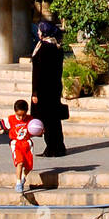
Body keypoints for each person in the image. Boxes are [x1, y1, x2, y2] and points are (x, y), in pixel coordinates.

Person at [30, 21, 68, 157]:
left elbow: (40, 72)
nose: (38, 32)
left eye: (40, 30)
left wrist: (35, 92)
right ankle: (58, 146)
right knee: (54, 119)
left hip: (44, 90)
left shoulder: (45, 48)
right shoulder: (56, 47)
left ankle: (52, 148)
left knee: (47, 120)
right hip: (53, 87)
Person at [0, 99, 35, 193]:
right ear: (15, 112)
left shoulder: (30, 119)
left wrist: (41, 130)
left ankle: (23, 178)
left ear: (26, 112)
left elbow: (36, 128)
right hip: (16, 144)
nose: (21, 118)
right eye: (18, 115)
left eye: (23, 115)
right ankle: (18, 183)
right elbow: (1, 126)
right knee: (19, 163)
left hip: (27, 144)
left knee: (28, 166)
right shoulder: (11, 119)